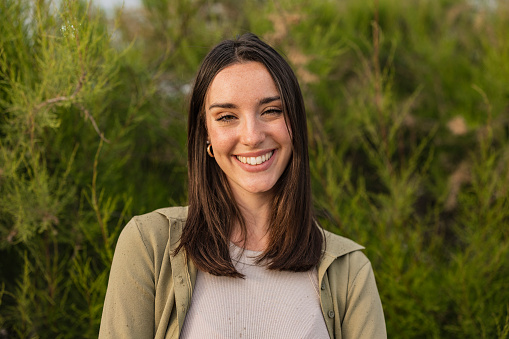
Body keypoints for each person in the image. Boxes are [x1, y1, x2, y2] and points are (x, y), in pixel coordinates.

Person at [99, 32, 386, 339]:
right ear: (206, 135)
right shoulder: (149, 246)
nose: (251, 136)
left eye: (271, 111)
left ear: (295, 125)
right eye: (226, 116)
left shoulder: (349, 271)